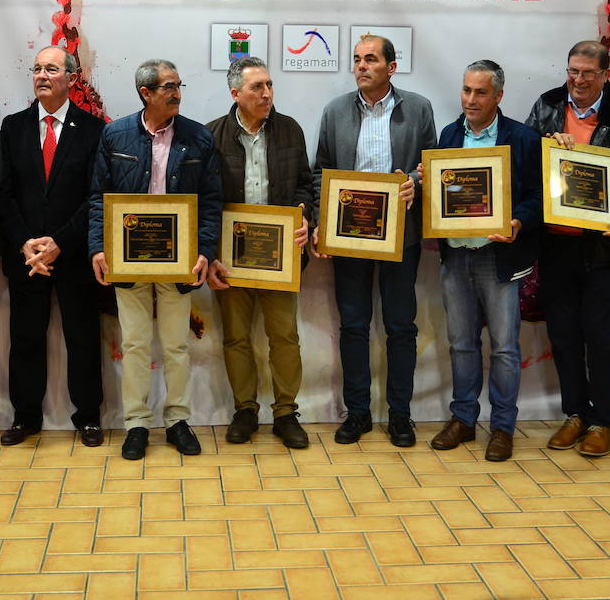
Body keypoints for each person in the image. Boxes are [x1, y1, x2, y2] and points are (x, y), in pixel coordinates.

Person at [88, 59, 223, 461]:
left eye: (179, 85)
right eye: (168, 87)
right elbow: (99, 197)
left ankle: (178, 420)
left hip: (180, 259)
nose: (177, 93)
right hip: (128, 259)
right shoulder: (116, 135)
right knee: (133, 344)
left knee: (177, 345)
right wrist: (98, 247)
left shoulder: (198, 138)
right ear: (145, 93)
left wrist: (205, 250)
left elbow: (212, 202)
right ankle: (136, 425)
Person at [525, 41, 610, 458]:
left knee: (600, 338)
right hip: (556, 245)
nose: (578, 81)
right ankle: (574, 414)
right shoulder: (546, 107)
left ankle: (602, 421)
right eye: (573, 71)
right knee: (563, 337)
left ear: (605, 76)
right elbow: (525, 166)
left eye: (587, 74)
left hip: (603, 250)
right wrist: (546, 143)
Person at [313, 35, 436, 447]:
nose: (361, 66)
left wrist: (415, 184)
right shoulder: (334, 111)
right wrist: (322, 221)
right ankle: (358, 414)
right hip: (350, 237)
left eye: (370, 59)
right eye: (357, 59)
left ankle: (400, 415)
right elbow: (321, 172)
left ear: (391, 67)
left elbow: (431, 165)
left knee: (401, 326)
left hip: (403, 235)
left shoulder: (418, 108)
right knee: (353, 326)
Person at [426, 60, 541, 462]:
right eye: (466, 91)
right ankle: (463, 419)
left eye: (480, 93)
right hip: (456, 255)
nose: (470, 100)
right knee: (460, 343)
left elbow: (538, 196)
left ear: (498, 96)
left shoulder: (522, 138)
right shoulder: (448, 135)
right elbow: (443, 193)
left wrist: (518, 221)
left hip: (499, 256)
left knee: (505, 348)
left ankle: (503, 427)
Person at [0, 46, 108, 448]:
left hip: (73, 255)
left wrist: (59, 242)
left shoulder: (94, 130)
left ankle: (89, 417)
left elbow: (96, 195)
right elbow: (3, 193)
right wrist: (26, 243)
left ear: (72, 79)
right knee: (25, 338)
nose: (42, 75)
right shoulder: (12, 127)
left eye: (52, 69)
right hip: (26, 257)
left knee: (82, 337)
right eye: (37, 68)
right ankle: (25, 417)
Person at [204, 57, 313, 450]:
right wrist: (209, 252)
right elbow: (205, 201)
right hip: (229, 257)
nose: (267, 94)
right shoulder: (210, 135)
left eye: (269, 85)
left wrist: (305, 218)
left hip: (281, 255)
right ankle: (244, 410)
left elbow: (305, 184)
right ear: (235, 93)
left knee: (284, 336)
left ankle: (286, 413)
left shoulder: (289, 130)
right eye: (257, 88)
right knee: (235, 337)